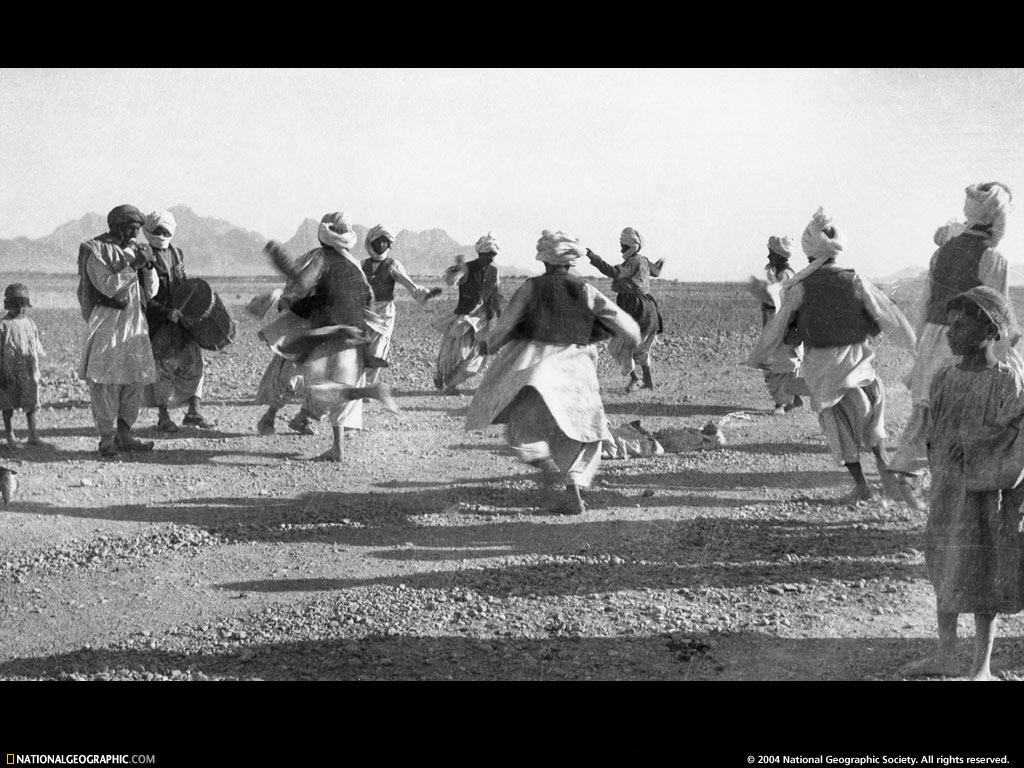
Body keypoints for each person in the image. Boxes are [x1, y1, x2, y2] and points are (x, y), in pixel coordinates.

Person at [747, 207, 917, 502]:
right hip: (858, 360)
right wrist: (911, 344)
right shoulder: (855, 279)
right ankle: (885, 471)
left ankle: (861, 485)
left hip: (823, 366)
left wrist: (765, 352)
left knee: (838, 427)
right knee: (870, 417)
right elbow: (885, 315)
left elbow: (783, 327)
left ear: (809, 251)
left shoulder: (800, 287)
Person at [466, 230, 641, 515]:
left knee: (522, 429)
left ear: (545, 261)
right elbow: (625, 324)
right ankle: (573, 493)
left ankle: (544, 463)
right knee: (579, 433)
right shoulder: (584, 288)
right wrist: (627, 339)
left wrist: (487, 345)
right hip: (574, 369)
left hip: (534, 368)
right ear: (570, 262)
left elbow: (505, 326)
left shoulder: (531, 287)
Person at [903, 286, 1024, 680]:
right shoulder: (943, 377)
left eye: (961, 326)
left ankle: (980, 666)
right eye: (950, 325)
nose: (951, 334)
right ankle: (945, 655)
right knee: (945, 565)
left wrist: (972, 448)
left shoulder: (1006, 382)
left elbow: (1012, 440)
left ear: (990, 332)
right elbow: (934, 431)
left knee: (983, 571)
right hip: (947, 492)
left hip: (985, 498)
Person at [888, 183, 1022, 508]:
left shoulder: (942, 252)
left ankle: (909, 471)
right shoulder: (993, 258)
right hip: (967, 341)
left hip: (936, 336)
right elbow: (996, 311)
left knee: (929, 408)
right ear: (999, 219)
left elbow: (927, 300)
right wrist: (1007, 350)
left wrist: (923, 345)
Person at [264, 211, 398, 462]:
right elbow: (368, 297)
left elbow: (301, 284)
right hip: (353, 335)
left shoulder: (321, 258)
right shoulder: (354, 264)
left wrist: (284, 288)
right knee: (337, 388)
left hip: (326, 333)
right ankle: (336, 445)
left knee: (313, 384)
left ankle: (368, 394)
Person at [77, 204, 159, 457]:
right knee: (105, 382)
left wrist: (148, 266)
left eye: (138, 229)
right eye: (130, 228)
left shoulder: (136, 249)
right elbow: (108, 286)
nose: (135, 234)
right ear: (116, 227)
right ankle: (106, 439)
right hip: (108, 324)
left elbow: (151, 291)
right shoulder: (97, 251)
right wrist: (133, 265)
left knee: (134, 379)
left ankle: (125, 435)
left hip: (134, 323)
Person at [139, 210, 215, 432]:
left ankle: (194, 411)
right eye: (158, 231)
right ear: (149, 231)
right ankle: (163, 416)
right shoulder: (144, 257)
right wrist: (166, 313)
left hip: (181, 320)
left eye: (166, 232)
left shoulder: (177, 254)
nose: (162, 235)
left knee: (194, 361)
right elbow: (144, 296)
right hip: (158, 322)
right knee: (162, 368)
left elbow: (183, 284)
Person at [585, 227, 664, 392]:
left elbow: (613, 272)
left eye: (624, 246)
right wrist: (661, 262)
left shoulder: (632, 262)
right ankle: (648, 381)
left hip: (637, 311)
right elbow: (656, 271)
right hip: (650, 312)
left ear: (631, 246)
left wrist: (593, 257)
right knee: (640, 348)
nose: (621, 249)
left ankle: (636, 379)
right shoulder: (643, 260)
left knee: (617, 348)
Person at [361, 224, 439, 387]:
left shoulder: (392, 265)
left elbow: (409, 284)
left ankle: (366, 386)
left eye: (385, 242)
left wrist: (424, 294)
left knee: (377, 352)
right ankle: (358, 385)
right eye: (379, 241)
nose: (382, 245)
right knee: (361, 351)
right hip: (365, 312)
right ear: (372, 243)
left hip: (384, 314)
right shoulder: (362, 265)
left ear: (389, 244)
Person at [434, 233, 505, 395]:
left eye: (493, 255)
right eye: (488, 254)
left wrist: (500, 312)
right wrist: (457, 269)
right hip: (465, 316)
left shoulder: (494, 272)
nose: (491, 258)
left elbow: (496, 294)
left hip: (482, 319)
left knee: (478, 356)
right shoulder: (467, 268)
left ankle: (451, 383)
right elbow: (450, 281)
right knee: (457, 352)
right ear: (480, 253)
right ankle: (441, 374)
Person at [252, 288, 324, 437]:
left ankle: (302, 419)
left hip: (322, 336)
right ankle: (269, 417)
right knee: (290, 379)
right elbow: (298, 302)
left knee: (322, 383)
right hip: (303, 336)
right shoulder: (317, 283)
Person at [748, 235, 804, 415]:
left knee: (776, 366)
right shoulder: (780, 273)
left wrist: (765, 288)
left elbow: (780, 302)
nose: (768, 257)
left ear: (779, 255)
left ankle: (781, 404)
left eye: (771, 253)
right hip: (778, 327)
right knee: (777, 364)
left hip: (782, 328)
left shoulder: (785, 275)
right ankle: (791, 398)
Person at [0, 283, 44, 447]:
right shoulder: (3, 325)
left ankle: (32, 433)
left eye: (23, 305)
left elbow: (35, 347)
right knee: (7, 404)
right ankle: (10, 435)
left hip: (28, 371)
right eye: (16, 305)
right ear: (8, 305)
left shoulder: (30, 323)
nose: (20, 309)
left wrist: (36, 370)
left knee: (31, 403)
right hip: (8, 372)